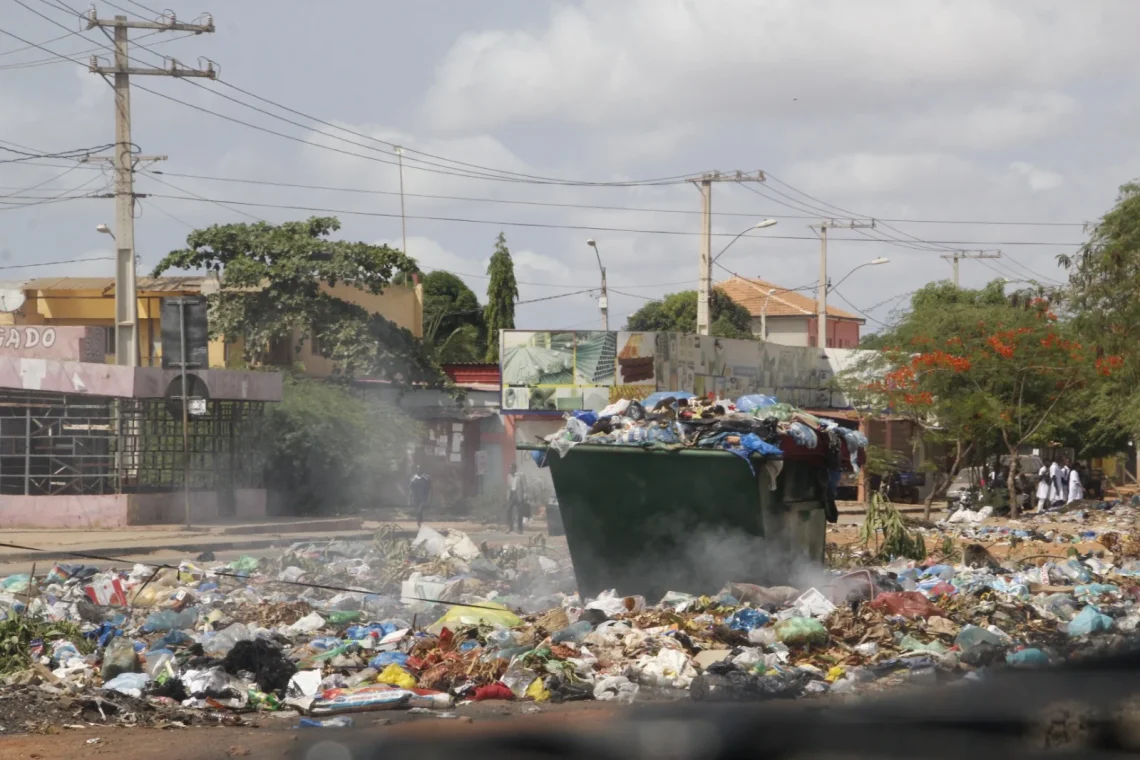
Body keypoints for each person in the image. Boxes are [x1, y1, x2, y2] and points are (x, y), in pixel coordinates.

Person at [507, 464, 527, 534]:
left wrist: (525, 494)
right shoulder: (509, 476)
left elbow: (524, 485)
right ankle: (510, 527)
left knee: (519, 512)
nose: (510, 470)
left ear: (515, 468)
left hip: (518, 494)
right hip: (511, 495)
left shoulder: (520, 475)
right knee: (508, 510)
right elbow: (508, 487)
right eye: (510, 468)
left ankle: (520, 529)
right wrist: (507, 496)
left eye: (512, 468)